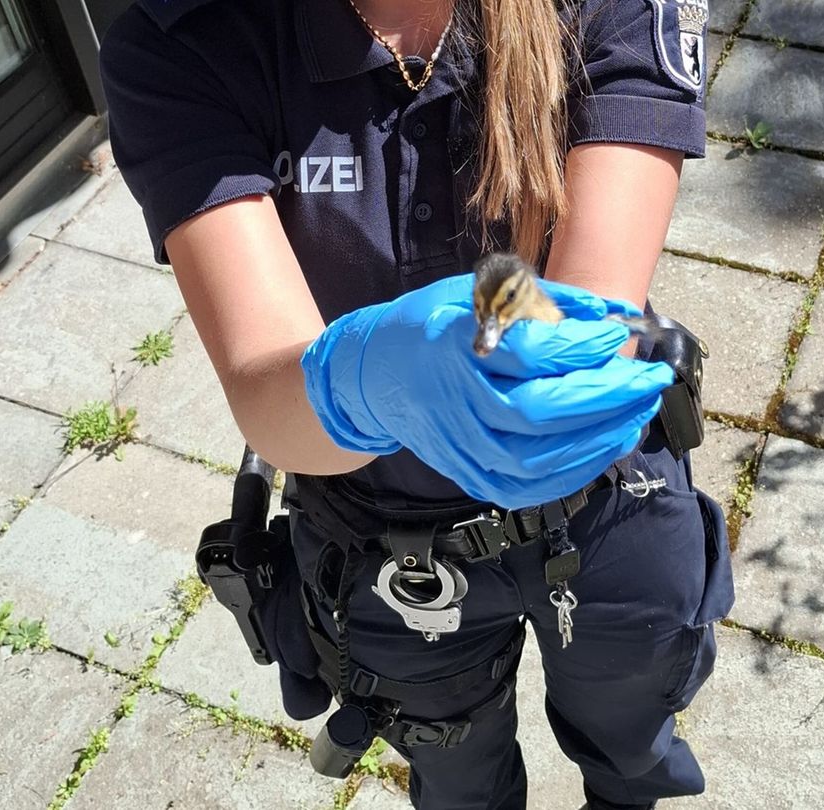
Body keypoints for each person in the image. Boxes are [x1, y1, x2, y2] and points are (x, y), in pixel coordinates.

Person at [97, 0, 733, 807]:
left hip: (602, 511)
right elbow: (264, 383)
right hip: (390, 554)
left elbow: (581, 310)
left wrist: (471, 342)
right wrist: (368, 377)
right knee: (457, 777)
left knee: (631, 745)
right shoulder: (187, 41)